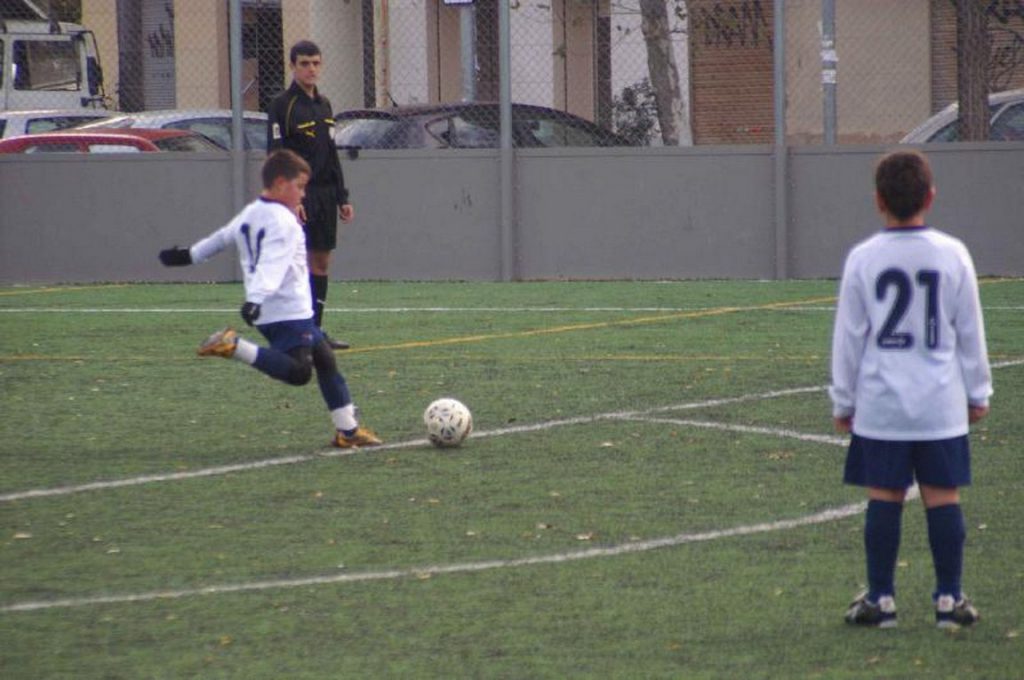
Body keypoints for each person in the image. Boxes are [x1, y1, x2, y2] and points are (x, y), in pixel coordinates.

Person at [830, 149, 992, 629]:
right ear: (931, 196)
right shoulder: (952, 253)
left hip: (883, 406)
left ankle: (881, 601)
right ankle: (949, 600)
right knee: (943, 496)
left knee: (885, 496)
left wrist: (844, 400)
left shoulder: (864, 258)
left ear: (878, 200)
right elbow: (970, 330)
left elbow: (849, 337)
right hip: (940, 404)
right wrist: (978, 391)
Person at [158, 149, 382, 449]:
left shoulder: (253, 212)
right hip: (284, 310)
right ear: (279, 183)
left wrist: (188, 255)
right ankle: (233, 346)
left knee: (325, 358)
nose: (303, 195)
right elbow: (273, 263)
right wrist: (256, 298)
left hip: (279, 309)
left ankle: (348, 431)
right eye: (299, 187)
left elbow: (223, 237)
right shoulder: (283, 222)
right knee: (301, 372)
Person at [266, 39, 352, 350]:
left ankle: (316, 331)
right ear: (292, 66)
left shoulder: (324, 105)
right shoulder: (282, 105)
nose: (311, 69)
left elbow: (331, 153)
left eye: (315, 63)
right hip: (299, 196)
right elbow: (276, 156)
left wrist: (342, 197)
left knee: (321, 262)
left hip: (326, 194)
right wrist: (290, 199)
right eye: (304, 63)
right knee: (297, 265)